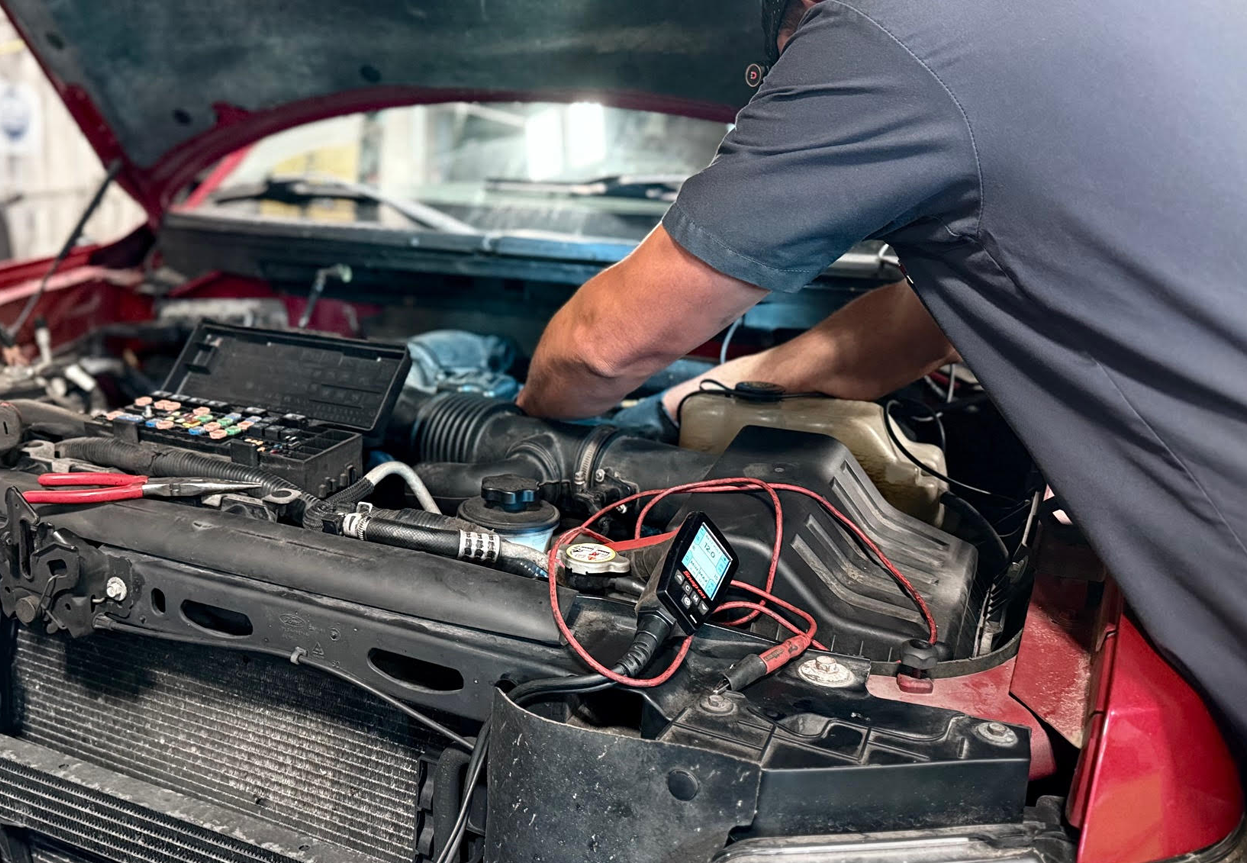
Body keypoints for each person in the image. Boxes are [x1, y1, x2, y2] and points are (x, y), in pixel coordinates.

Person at [518, 0, 1247, 745]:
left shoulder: (883, 31)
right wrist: (695, 398)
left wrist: (529, 415)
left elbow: (600, 347)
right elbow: (916, 324)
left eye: (777, 71)